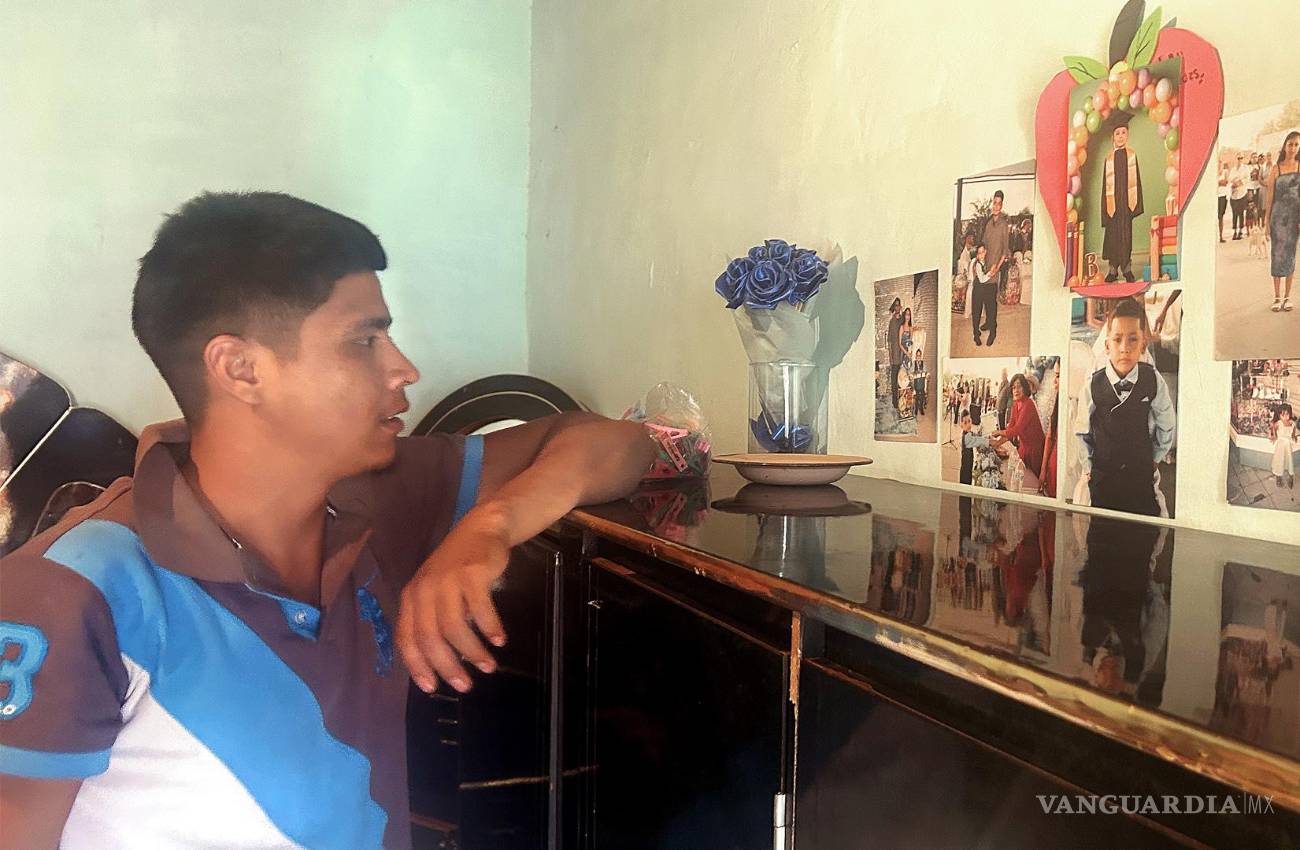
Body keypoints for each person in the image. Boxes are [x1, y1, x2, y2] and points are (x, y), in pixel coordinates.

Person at [0, 192, 654, 848]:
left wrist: (489, 527)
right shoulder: (72, 588)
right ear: (241, 369)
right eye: (364, 341)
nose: (404, 369)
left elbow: (619, 445)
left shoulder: (377, 494)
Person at [1074, 299, 1177, 516]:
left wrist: (1156, 457)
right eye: (1117, 339)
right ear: (1107, 345)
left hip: (1139, 474)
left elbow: (1166, 421)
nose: (1124, 348)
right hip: (1104, 476)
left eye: (1133, 339)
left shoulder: (1152, 379)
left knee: (1142, 526)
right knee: (1102, 527)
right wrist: (1089, 467)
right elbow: (1082, 429)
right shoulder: (1093, 383)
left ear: (1143, 345)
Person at [1100, 114, 1145, 283]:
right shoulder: (1108, 159)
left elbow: (1136, 181)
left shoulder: (1132, 156)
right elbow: (1105, 187)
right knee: (1112, 237)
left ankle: (1127, 269)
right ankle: (1112, 270)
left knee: (1126, 237)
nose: (1120, 136)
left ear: (1128, 135)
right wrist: (1105, 209)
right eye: (1117, 133)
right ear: (1113, 137)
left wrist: (1135, 204)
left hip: (1126, 204)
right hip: (1113, 205)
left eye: (1123, 133)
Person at [1264, 130, 1300, 313]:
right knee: (1277, 255)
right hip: (1278, 218)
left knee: (1291, 255)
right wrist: (1266, 222)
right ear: (1285, 146)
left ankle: (1287, 297)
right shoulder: (1276, 169)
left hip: (1294, 218)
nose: (1293, 148)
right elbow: (1269, 197)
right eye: (1290, 144)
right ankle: (1277, 297)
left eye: (1296, 145)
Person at [991, 374, 1046, 483]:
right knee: (1022, 479)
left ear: (1025, 388)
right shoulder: (1016, 404)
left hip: (1035, 450)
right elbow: (1010, 428)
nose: (1016, 390)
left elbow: (1017, 429)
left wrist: (999, 432)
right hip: (1024, 447)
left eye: (1019, 386)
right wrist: (997, 443)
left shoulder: (1029, 404)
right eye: (1013, 387)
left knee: (1033, 481)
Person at [975, 192, 1010, 344]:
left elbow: (1005, 250)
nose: (996, 206)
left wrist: (997, 267)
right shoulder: (988, 223)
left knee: (991, 301)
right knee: (984, 297)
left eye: (999, 203)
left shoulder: (1004, 225)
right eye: (994, 202)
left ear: (1001, 206)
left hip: (995, 268)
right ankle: (988, 322)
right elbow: (983, 245)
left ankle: (993, 330)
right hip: (985, 267)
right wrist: (979, 260)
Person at [1270, 402, 1298, 489]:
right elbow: (1273, 428)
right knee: (1279, 460)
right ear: (1279, 415)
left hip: (1288, 445)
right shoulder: (1279, 423)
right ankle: (1278, 477)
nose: (1285, 417)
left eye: (1287, 414)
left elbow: (1293, 433)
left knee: (1289, 461)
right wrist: (1274, 436)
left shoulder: (1292, 423)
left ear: (1290, 414)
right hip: (1281, 445)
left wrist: (1294, 437)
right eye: (1282, 415)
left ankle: (1291, 476)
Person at [887, 297, 904, 410]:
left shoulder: (903, 320)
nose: (897, 307)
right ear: (894, 307)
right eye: (896, 305)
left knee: (902, 380)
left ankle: (903, 401)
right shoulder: (891, 322)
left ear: (900, 307)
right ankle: (895, 402)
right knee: (894, 381)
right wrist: (890, 356)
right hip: (894, 355)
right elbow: (889, 341)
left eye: (899, 305)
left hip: (903, 354)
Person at [1229, 153, 1250, 240]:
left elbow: (1247, 179)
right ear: (1236, 159)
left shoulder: (1245, 168)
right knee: (1234, 213)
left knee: (1241, 213)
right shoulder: (1233, 169)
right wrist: (1234, 183)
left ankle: (1240, 230)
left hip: (1242, 193)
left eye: (1241, 158)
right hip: (1234, 194)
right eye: (1238, 158)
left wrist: (1239, 182)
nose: (1240, 160)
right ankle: (1234, 231)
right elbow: (1230, 179)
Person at [911, 349, 928, 417]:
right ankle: (916, 409)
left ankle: (921, 408)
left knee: (922, 397)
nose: (918, 357)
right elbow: (910, 372)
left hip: (922, 383)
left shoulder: (923, 363)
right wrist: (913, 374)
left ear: (921, 356)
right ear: (916, 356)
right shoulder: (914, 363)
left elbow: (926, 372)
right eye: (917, 355)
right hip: (916, 383)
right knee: (916, 397)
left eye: (919, 355)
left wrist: (926, 374)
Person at [1217, 161, 1230, 243]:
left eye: (1220, 165)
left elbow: (1226, 182)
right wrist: (1219, 182)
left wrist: (1219, 182)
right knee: (1217, 217)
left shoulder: (1224, 173)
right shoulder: (1214, 174)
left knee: (1221, 217)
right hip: (1216, 196)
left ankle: (1221, 236)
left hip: (1223, 195)